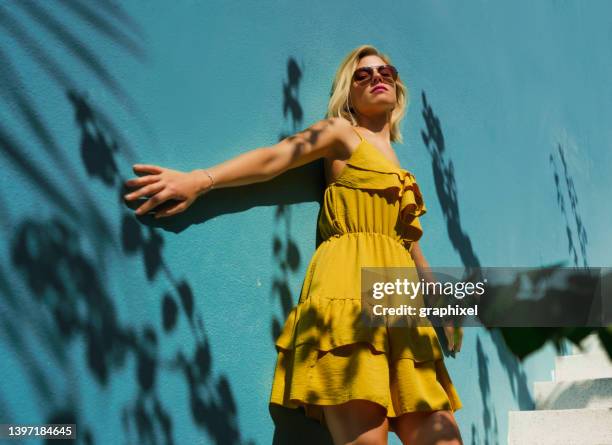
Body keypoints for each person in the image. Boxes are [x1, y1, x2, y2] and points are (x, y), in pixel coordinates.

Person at [124, 44, 464, 445]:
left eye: (385, 71)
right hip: (348, 289)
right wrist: (199, 180)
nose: (377, 77)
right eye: (363, 74)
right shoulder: (341, 133)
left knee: (444, 438)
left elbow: (407, 242)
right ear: (348, 93)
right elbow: (276, 158)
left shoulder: (401, 169)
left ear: (398, 88)